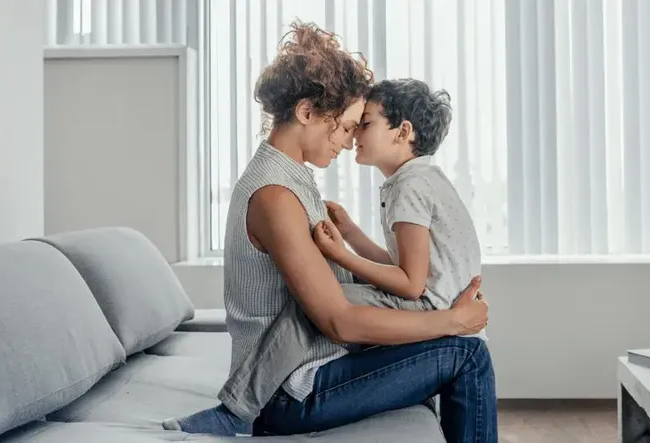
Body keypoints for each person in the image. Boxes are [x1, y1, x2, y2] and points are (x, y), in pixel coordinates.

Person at [162, 22, 497, 442]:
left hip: (313, 365)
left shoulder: (294, 181)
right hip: (291, 390)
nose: (348, 140)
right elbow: (338, 320)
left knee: (447, 350)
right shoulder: (275, 195)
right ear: (306, 112)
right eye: (345, 126)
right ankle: (235, 412)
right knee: (468, 355)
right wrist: (453, 320)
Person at [314, 78, 486, 342]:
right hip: (438, 304)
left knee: (326, 297)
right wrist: (349, 231)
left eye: (366, 124)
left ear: (403, 132)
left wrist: (340, 255)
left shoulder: (409, 186)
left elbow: (410, 285)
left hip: (434, 310)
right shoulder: (422, 178)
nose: (354, 134)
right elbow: (403, 269)